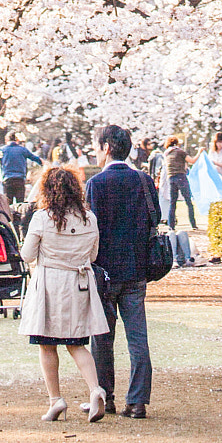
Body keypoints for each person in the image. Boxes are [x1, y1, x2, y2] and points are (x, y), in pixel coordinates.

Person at [18, 164, 108, 423]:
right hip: (79, 284)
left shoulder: (42, 218)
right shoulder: (89, 218)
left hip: (49, 285)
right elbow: (92, 255)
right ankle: (95, 389)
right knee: (76, 343)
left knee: (46, 344)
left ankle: (55, 399)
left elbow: (27, 255)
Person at [86, 123, 159, 420]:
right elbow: (155, 218)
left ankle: (106, 396)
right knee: (137, 336)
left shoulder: (97, 184)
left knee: (102, 337)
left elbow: (91, 229)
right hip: (137, 268)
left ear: (105, 148)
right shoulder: (143, 180)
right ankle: (138, 401)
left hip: (104, 272)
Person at [0, 133, 42, 233]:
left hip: (7, 180)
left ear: (6, 140)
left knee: (9, 206)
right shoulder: (22, 150)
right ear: (16, 139)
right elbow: (36, 158)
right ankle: (21, 227)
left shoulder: (2, 150)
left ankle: (11, 229)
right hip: (20, 180)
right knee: (20, 205)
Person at [159, 135, 197, 231]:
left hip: (171, 178)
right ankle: (193, 224)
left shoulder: (166, 154)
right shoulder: (180, 152)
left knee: (173, 202)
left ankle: (171, 225)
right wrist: (199, 152)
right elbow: (192, 161)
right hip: (181, 177)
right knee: (188, 201)